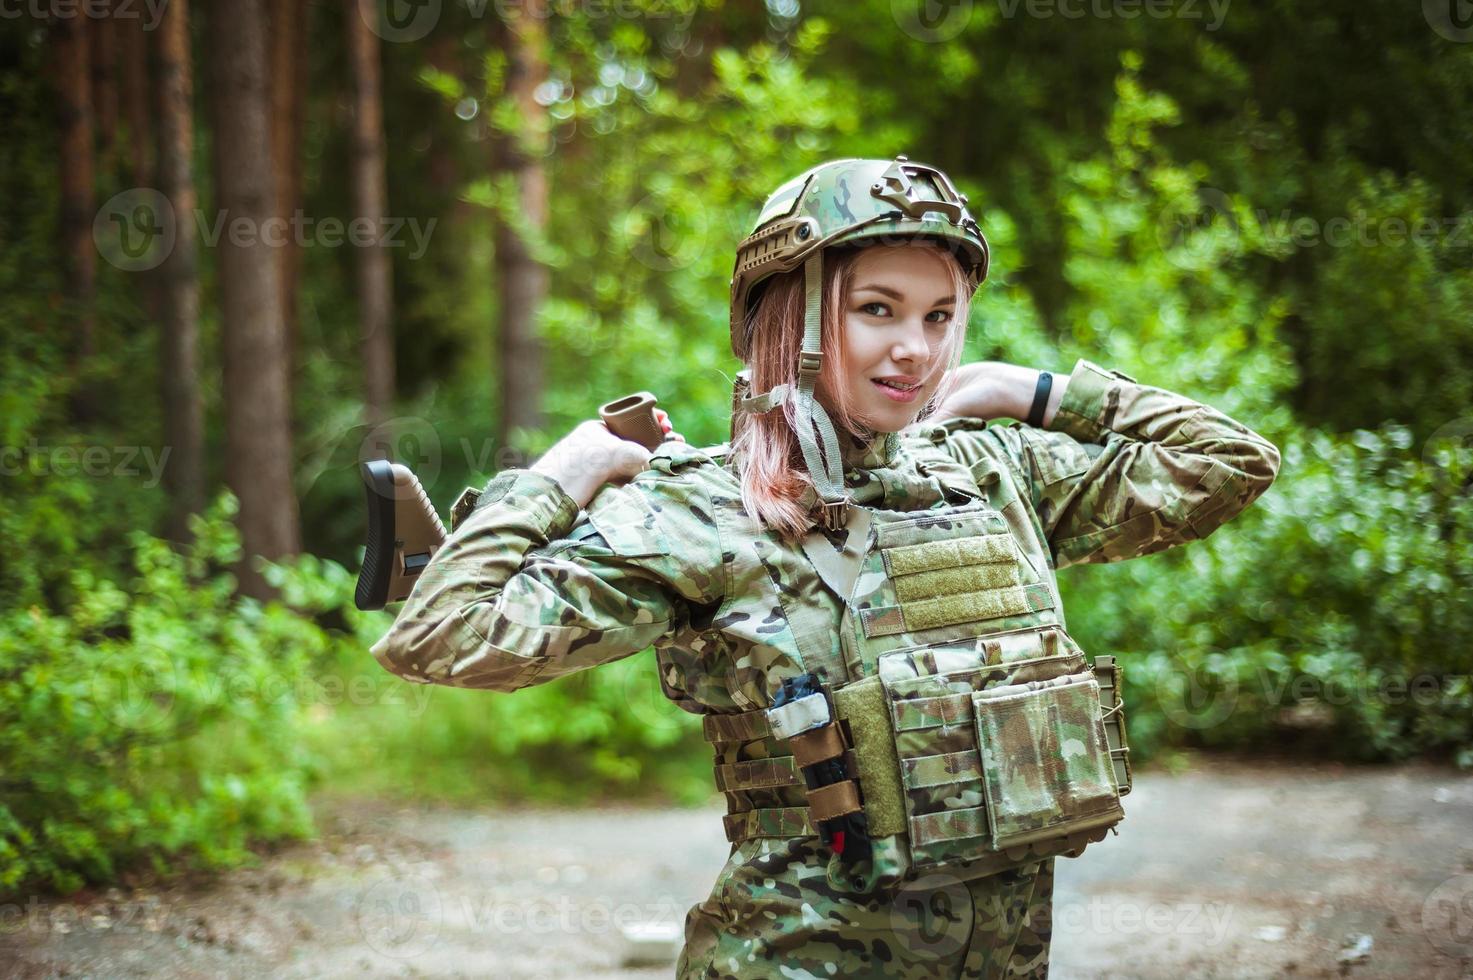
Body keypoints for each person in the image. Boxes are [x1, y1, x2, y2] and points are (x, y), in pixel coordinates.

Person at [370, 156, 1281, 978]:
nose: (913, 350)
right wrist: (560, 476)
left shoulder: (991, 472)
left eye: (939, 316)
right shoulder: (707, 506)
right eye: (875, 309)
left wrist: (1033, 390)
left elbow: (1230, 462)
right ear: (789, 317)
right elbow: (440, 637)